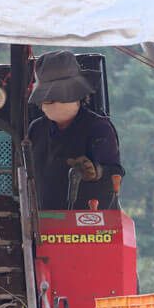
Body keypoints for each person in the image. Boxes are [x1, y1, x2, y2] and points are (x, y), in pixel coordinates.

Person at [27, 51, 124, 210]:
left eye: (60, 98)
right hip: (44, 221)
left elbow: (114, 171)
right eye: (49, 100)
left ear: (77, 96)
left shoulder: (99, 128)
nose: (54, 104)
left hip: (91, 226)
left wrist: (95, 171)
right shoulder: (36, 129)